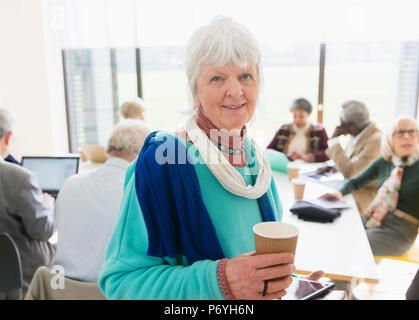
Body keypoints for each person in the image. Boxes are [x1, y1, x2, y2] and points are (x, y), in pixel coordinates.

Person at [99, 17, 323, 300]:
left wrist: (287, 286)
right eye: (217, 78)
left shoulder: (258, 168)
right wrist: (218, 282)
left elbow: (251, 277)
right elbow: (120, 284)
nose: (235, 91)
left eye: (245, 76)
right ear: (195, 91)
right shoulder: (165, 162)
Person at [53, 120, 151, 283]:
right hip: (112, 291)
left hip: (62, 289)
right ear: (140, 151)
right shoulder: (141, 191)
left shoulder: (70, 184)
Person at [321, 116, 419, 256]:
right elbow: (355, 181)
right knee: (336, 234)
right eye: (400, 132)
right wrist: (339, 192)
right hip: (373, 217)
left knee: (351, 249)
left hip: (400, 231)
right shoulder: (385, 161)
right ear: (390, 139)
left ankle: (344, 277)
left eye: (412, 132)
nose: (407, 137)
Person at [0, 108, 55, 297]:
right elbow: (43, 230)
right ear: (8, 138)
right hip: (22, 274)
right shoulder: (20, 178)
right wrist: (47, 205)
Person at [319, 101, 382, 213]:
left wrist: (333, 140)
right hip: (349, 190)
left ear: (351, 126)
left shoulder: (376, 140)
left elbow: (352, 173)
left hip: (363, 198)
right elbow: (350, 161)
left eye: (341, 121)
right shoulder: (359, 134)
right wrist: (334, 165)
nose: (339, 125)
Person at [267, 98, 329, 162]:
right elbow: (269, 150)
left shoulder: (319, 130)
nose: (297, 119)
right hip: (285, 166)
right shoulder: (283, 129)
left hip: (308, 167)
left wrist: (307, 157)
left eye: (301, 116)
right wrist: (282, 157)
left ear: (308, 115)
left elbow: (328, 151)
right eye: (295, 116)